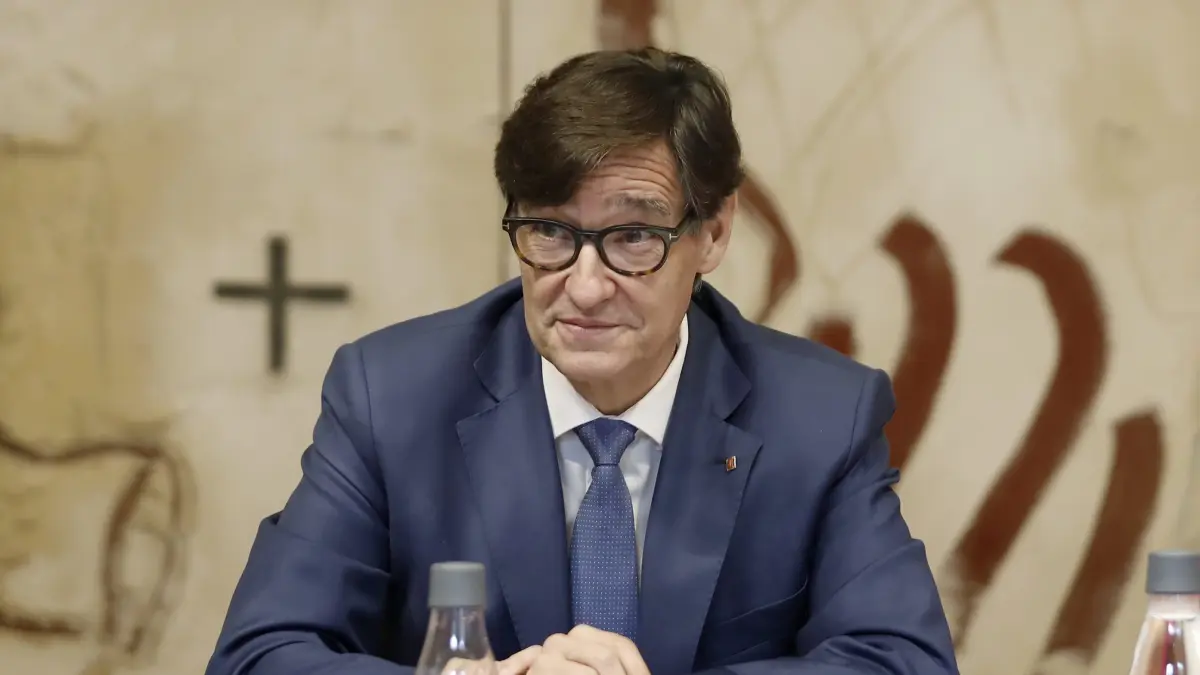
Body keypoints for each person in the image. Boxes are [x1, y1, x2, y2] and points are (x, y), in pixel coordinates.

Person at [205, 47, 958, 675]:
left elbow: (903, 661)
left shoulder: (820, 417)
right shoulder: (392, 397)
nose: (586, 287)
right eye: (551, 233)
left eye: (633, 238)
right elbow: (260, 654)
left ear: (714, 232)